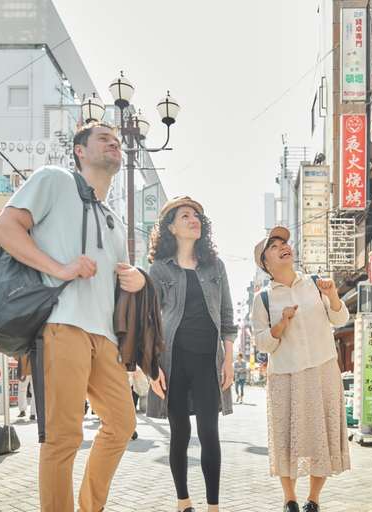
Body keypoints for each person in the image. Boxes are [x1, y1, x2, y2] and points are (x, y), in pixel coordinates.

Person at [0, 120, 145, 512]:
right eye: (104, 139)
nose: (114, 144)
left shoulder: (114, 216)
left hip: (105, 337)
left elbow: (119, 280)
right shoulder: (54, 180)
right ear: (80, 150)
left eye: (117, 140)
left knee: (122, 425)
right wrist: (60, 268)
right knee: (63, 438)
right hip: (62, 324)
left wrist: (137, 278)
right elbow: (5, 228)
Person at [145, 196, 237, 512]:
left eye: (196, 215)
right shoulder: (158, 269)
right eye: (185, 215)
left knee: (210, 431)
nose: (193, 219)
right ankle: (183, 502)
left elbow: (226, 314)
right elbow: (150, 321)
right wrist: (152, 369)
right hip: (173, 361)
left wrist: (229, 357)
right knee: (180, 432)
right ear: (171, 227)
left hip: (207, 361)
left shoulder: (216, 266)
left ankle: (213, 506)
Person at [252, 226, 351, 512]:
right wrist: (281, 323)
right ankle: (289, 499)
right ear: (265, 264)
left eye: (284, 242)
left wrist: (332, 296)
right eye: (274, 245)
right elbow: (262, 344)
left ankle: (313, 499)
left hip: (323, 369)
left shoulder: (315, 282)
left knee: (323, 435)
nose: (283, 246)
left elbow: (339, 318)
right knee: (286, 439)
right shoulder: (263, 299)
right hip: (285, 375)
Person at [16, 355, 35, 420]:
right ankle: (33, 413)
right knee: (35, 392)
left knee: (22, 390)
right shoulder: (36, 344)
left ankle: (22, 410)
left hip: (24, 370)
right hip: (35, 369)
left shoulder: (21, 344)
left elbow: (16, 356)